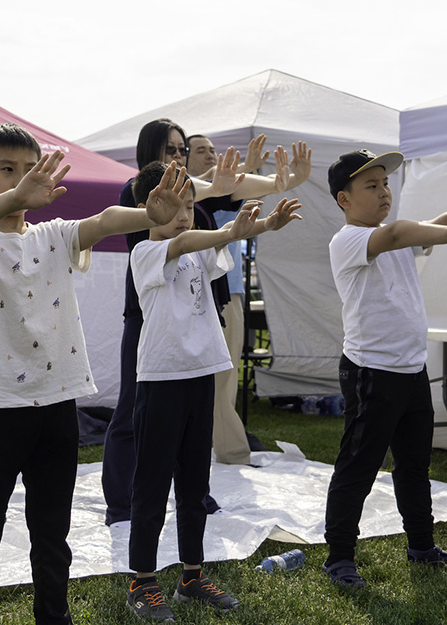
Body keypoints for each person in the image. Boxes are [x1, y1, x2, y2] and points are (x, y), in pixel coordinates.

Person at [0, 123, 191, 625]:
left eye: (27, 169)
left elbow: (102, 221)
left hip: (57, 406)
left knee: (52, 533)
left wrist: (148, 214)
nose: (21, 180)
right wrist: (17, 195)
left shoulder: (53, 236)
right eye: (6, 170)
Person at [322, 149, 447, 589]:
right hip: (371, 373)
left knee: (414, 466)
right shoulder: (350, 240)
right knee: (358, 467)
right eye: (371, 186)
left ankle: (422, 546)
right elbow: (402, 232)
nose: (384, 192)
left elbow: (443, 220)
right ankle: (339, 558)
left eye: (385, 184)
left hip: (411, 371)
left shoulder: (395, 236)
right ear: (344, 199)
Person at [102, 118, 310, 525]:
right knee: (132, 414)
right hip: (148, 320)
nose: (179, 156)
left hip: (195, 321)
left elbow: (226, 193)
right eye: (171, 149)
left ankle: (194, 495)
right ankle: (122, 504)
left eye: (182, 149)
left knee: (193, 421)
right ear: (149, 152)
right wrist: (226, 201)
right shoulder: (139, 191)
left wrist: (275, 185)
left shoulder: (191, 202)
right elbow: (193, 226)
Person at [125, 161, 301, 620]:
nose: (184, 216)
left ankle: (191, 576)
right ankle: (142, 582)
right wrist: (232, 231)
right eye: (173, 206)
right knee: (151, 485)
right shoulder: (145, 252)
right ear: (147, 208)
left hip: (200, 377)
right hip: (161, 382)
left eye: (190, 205)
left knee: (194, 485)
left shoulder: (200, 250)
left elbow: (211, 240)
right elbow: (188, 241)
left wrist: (264, 225)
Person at [185, 132, 312, 465]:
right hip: (193, 294)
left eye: (212, 149)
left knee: (225, 375)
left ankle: (227, 450)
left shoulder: (221, 188)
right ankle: (219, 449)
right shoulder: (189, 194)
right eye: (200, 150)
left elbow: (236, 184)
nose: (210, 154)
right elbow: (215, 180)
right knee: (203, 378)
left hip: (228, 291)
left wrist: (280, 180)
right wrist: (258, 174)